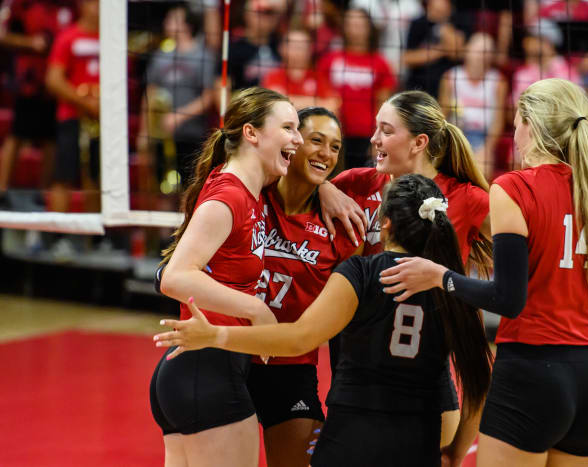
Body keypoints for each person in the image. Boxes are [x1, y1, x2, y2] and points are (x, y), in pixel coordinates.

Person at [154, 173, 494, 467]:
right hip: (416, 445)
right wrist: (454, 452)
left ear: (384, 222)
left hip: (351, 439)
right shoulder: (454, 287)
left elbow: (299, 338)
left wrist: (216, 335)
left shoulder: (360, 273)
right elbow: (479, 384)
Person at [379, 78, 588, 466]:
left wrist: (439, 276)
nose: (513, 133)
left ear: (531, 124)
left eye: (516, 122)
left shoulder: (514, 188)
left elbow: (508, 300)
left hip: (531, 374)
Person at [317, 89, 492, 447]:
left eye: (386, 130)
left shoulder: (467, 199)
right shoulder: (353, 184)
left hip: (421, 369)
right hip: (355, 365)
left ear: (419, 142)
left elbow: (531, 245)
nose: (373, 139)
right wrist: (320, 187)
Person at [149, 87, 302, 467]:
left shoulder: (248, 189)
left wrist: (329, 189)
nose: (297, 139)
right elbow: (174, 277)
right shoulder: (230, 196)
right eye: (288, 127)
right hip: (207, 372)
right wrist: (257, 310)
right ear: (251, 134)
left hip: (197, 371)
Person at [248, 107, 361, 467]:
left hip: (291, 368)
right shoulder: (249, 194)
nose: (326, 154)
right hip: (231, 358)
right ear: (293, 143)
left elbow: (343, 320)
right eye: (317, 140)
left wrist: (344, 392)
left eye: (335, 147)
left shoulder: (340, 226)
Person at [0, 0, 73, 207]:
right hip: (28, 81)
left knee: (51, 138)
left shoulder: (67, 6)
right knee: (17, 134)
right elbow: (3, 35)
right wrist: (31, 43)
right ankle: (2, 191)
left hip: (57, 82)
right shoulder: (21, 4)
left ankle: (40, 194)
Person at [137, 3, 217, 193]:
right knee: (162, 189)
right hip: (161, 135)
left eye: (173, 19)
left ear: (187, 25)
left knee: (190, 189)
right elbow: (149, 93)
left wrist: (178, 116)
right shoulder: (159, 56)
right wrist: (143, 132)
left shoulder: (202, 55)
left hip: (192, 136)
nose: (167, 23)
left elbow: (208, 97)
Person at [318, 7, 396, 168]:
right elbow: (321, 97)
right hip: (334, 133)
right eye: (351, 24)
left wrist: (380, 137)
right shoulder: (329, 60)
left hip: (367, 136)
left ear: (369, 28)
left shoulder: (380, 63)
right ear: (344, 28)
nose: (355, 29)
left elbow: (384, 104)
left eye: (360, 24)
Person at [45, 0, 100, 214]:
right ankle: (59, 239)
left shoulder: (113, 41)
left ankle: (98, 240)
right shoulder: (68, 37)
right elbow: (53, 79)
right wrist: (86, 103)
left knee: (99, 179)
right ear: (81, 5)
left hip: (103, 121)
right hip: (72, 117)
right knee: (63, 175)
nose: (97, 7)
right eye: (92, 2)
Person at [439, 32, 507, 180]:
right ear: (467, 51)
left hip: (482, 137)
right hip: (455, 134)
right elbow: (441, 115)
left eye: (487, 52)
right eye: (478, 51)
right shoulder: (450, 76)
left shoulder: (498, 81)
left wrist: (487, 148)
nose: (481, 56)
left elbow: (498, 121)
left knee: (482, 171)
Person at [261, 29, 340, 113]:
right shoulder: (273, 75)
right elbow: (274, 104)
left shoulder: (318, 76)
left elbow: (333, 106)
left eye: (302, 47)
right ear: (282, 49)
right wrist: (316, 102)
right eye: (293, 46)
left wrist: (291, 101)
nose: (298, 51)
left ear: (309, 51)